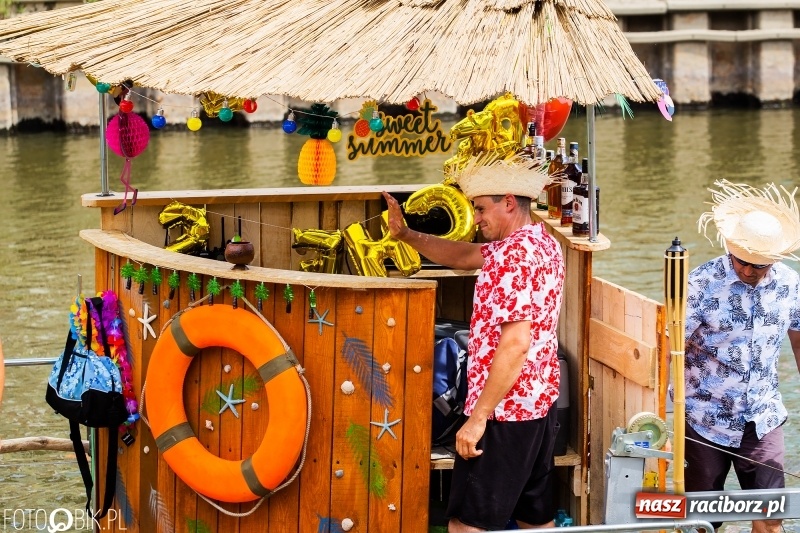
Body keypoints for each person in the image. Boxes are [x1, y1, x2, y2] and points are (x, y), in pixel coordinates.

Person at [383, 155, 564, 532]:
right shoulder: (541, 243)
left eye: (481, 208)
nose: (477, 218)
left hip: (502, 411)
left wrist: (477, 419)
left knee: (467, 525)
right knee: (536, 518)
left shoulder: (510, 258)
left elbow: (515, 342)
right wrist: (407, 235)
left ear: (509, 201)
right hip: (539, 404)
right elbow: (466, 256)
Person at [684, 180, 800, 533]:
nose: (748, 270)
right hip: (704, 419)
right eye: (742, 262)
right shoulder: (700, 283)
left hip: (762, 416)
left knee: (770, 518)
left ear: (774, 261)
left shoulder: (790, 285)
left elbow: (798, 339)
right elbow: (667, 348)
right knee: (703, 522)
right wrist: (665, 416)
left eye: (759, 266)